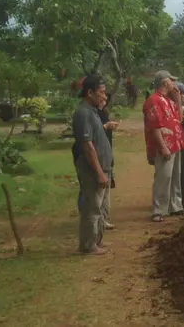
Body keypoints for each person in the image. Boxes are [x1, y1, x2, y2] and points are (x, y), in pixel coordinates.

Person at [72, 75, 113, 256]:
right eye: (101, 92)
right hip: (93, 169)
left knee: (102, 207)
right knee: (92, 207)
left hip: (104, 167)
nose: (104, 96)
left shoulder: (93, 111)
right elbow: (88, 147)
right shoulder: (83, 113)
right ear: (89, 92)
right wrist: (99, 173)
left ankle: (96, 241)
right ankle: (88, 245)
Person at [143, 71, 184, 222]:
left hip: (175, 142)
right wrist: (162, 147)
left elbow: (179, 118)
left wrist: (178, 100)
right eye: (171, 80)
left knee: (175, 176)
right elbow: (154, 126)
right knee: (164, 176)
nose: (174, 83)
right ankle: (158, 210)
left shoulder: (167, 100)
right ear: (164, 82)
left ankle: (175, 205)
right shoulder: (153, 101)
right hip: (165, 144)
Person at [96, 93, 119, 229]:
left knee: (106, 190)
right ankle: (98, 221)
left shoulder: (103, 112)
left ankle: (102, 220)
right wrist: (105, 126)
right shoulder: (92, 114)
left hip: (106, 152)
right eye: (102, 98)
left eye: (106, 99)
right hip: (98, 155)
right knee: (99, 191)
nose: (104, 101)